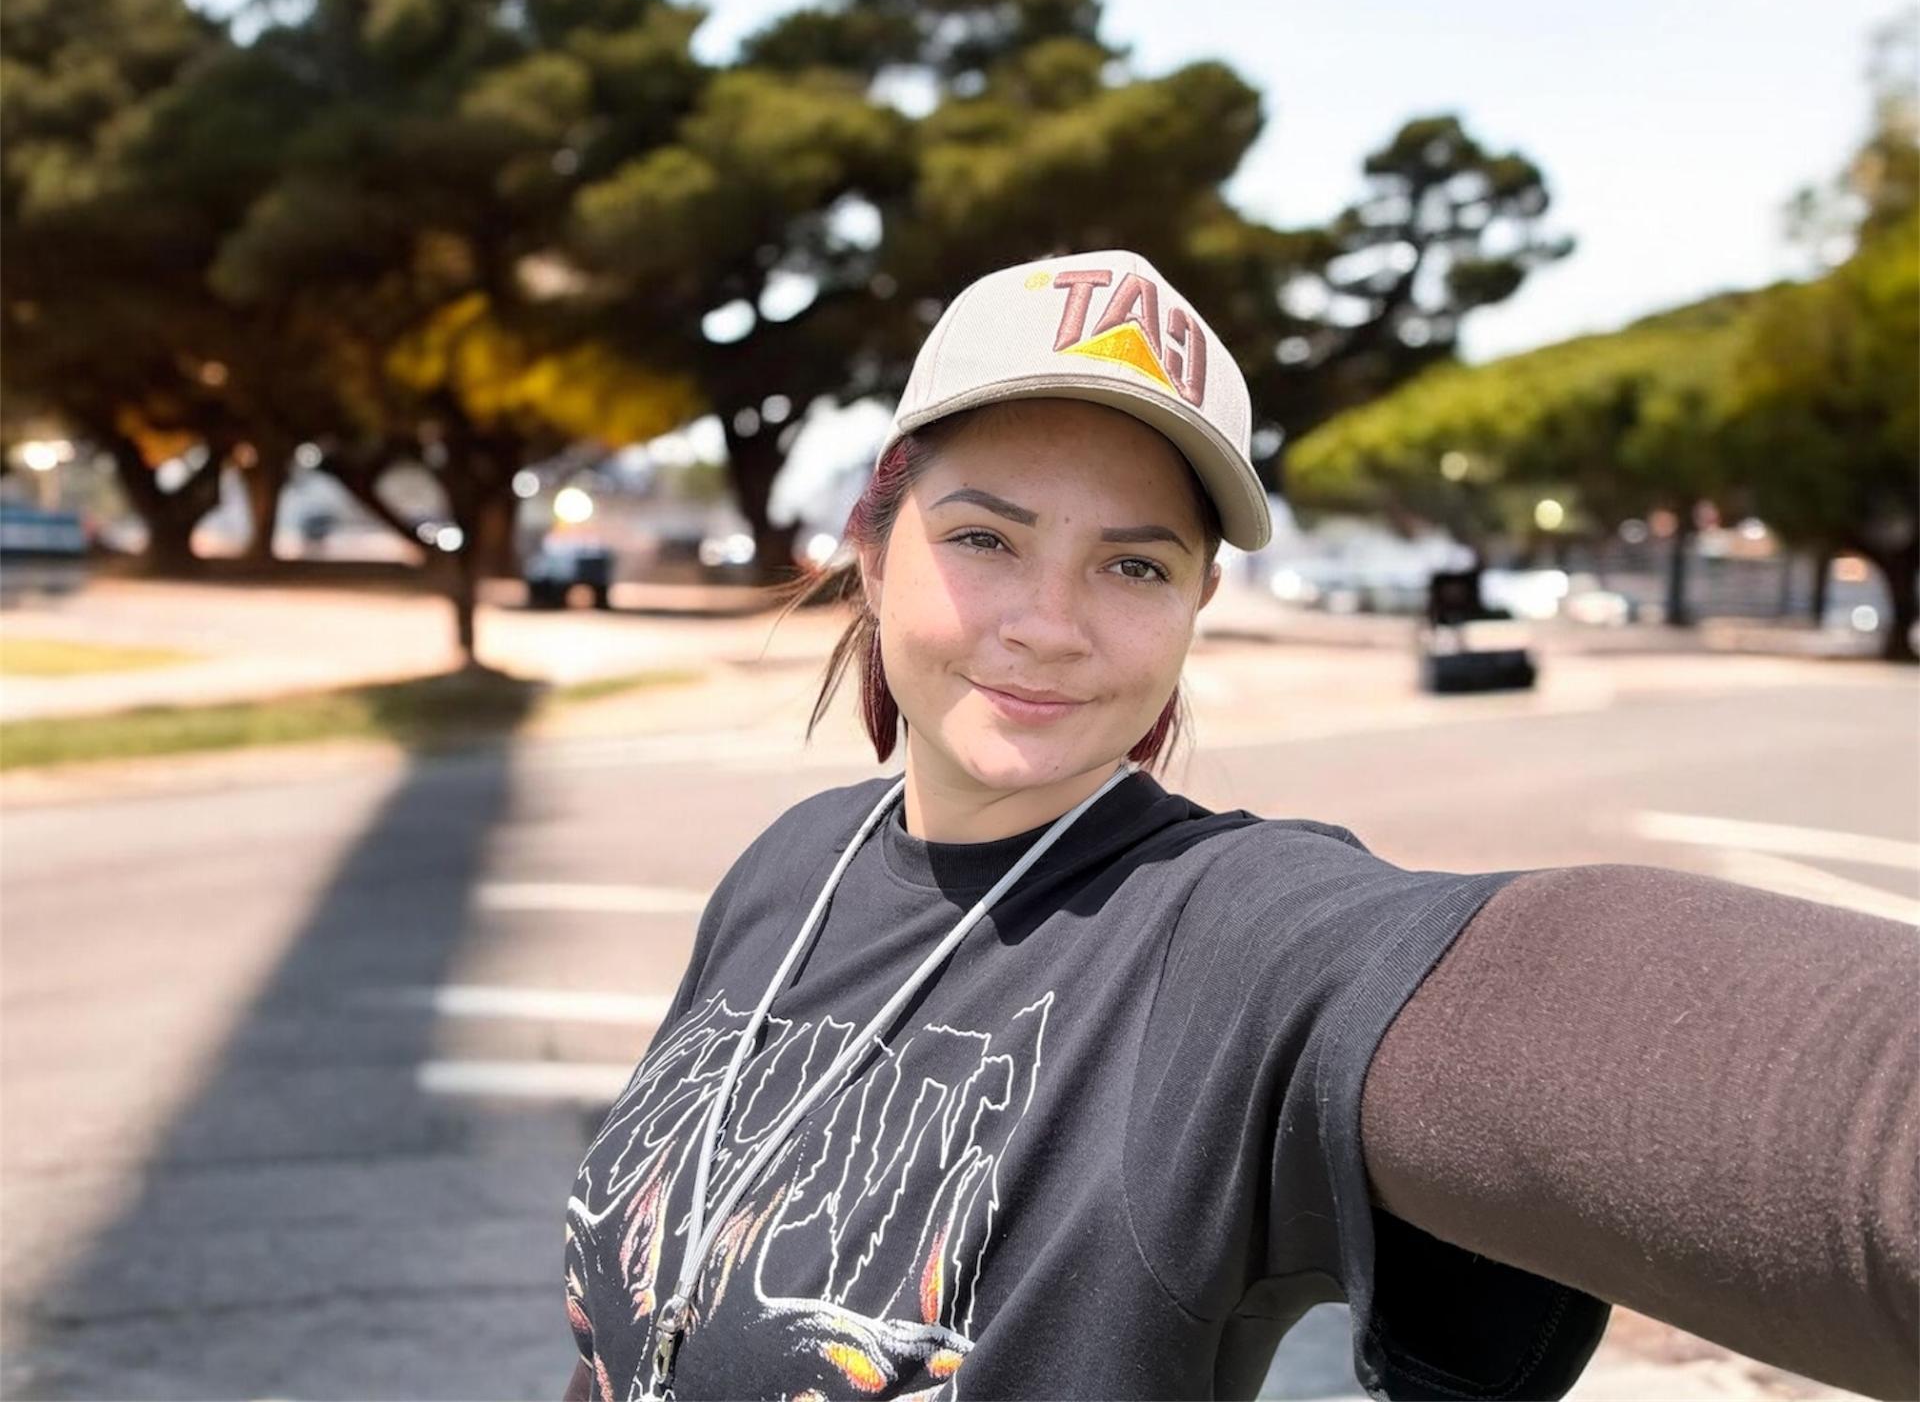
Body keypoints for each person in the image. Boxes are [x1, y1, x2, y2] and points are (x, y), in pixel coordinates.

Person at [561, 250, 1916, 1402]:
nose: (1050, 624)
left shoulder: (1224, 941)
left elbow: (1539, 997)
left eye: (1133, 563)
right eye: (985, 538)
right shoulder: (792, 868)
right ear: (871, 547)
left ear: (1196, 603)